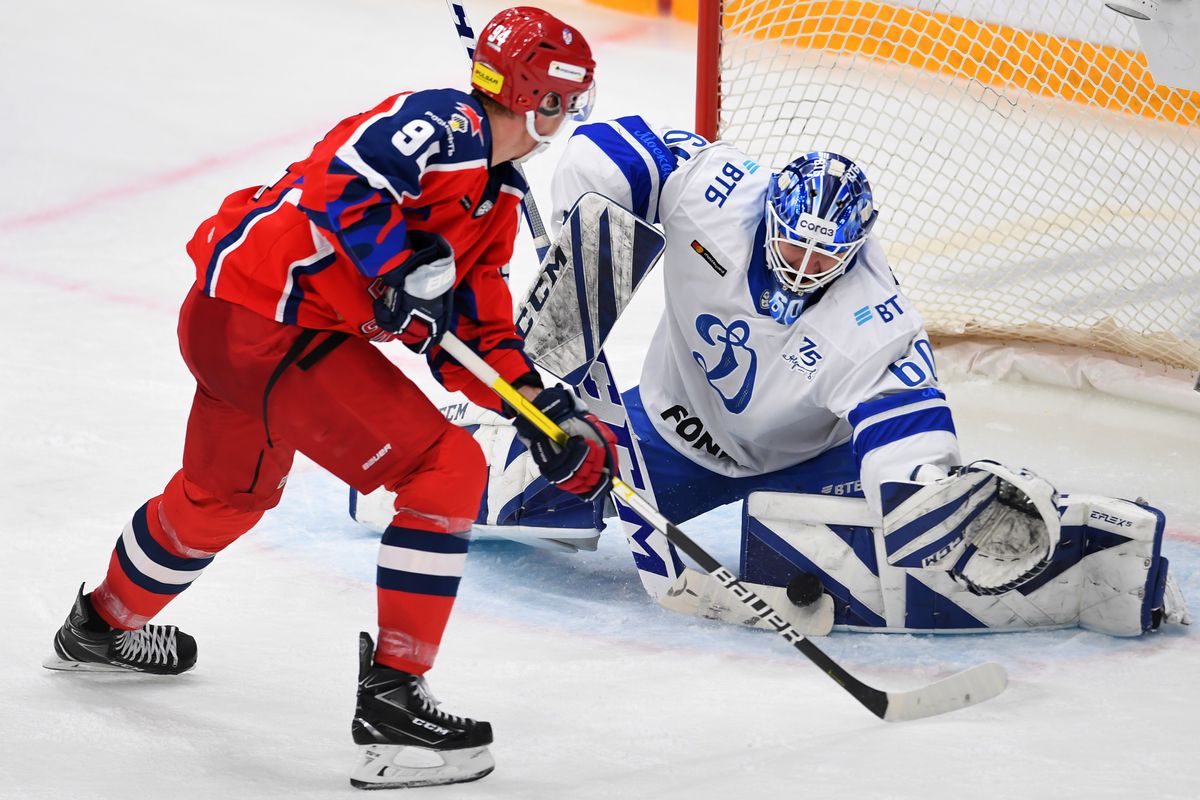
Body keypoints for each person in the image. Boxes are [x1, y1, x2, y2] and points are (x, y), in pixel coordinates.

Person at [45, 7, 618, 790]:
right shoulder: (441, 123)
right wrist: (391, 266)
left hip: (236, 323)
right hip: (267, 324)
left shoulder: (497, 200)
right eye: (566, 97)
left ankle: (101, 625)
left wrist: (539, 410)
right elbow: (342, 178)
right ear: (541, 98)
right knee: (446, 468)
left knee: (224, 498)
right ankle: (393, 709)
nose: (569, 112)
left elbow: (473, 327)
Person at [427, 117, 1187, 636]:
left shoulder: (874, 319)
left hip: (809, 468)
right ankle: (454, 452)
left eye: (826, 259)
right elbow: (600, 153)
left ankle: (1092, 553)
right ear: (768, 216)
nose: (803, 268)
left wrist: (926, 490)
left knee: (899, 566)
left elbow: (906, 431)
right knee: (522, 495)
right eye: (793, 247)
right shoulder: (718, 191)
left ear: (858, 248)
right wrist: (581, 240)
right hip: (665, 430)